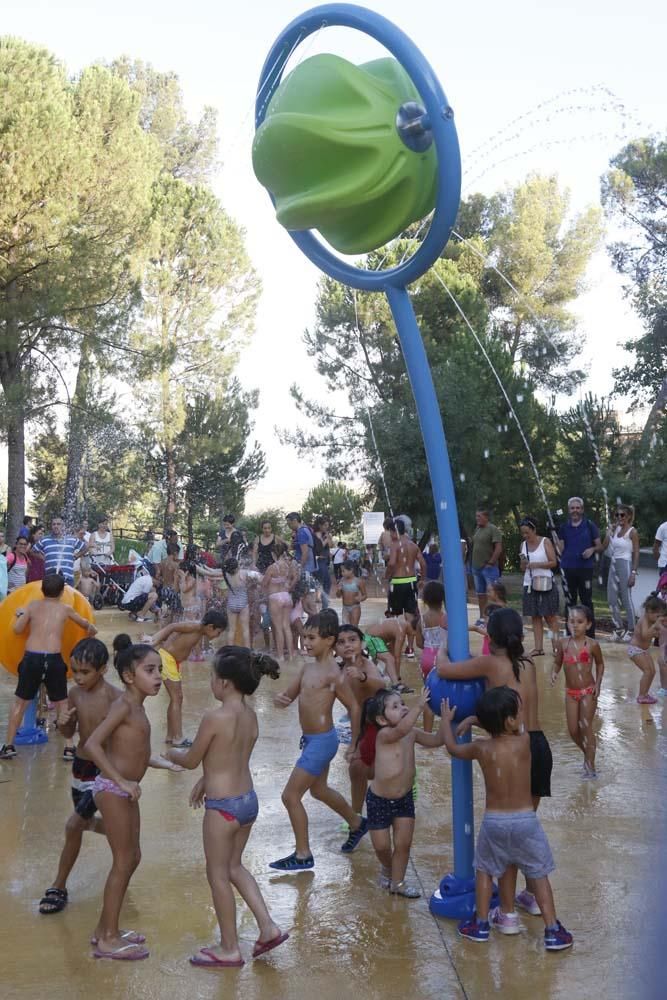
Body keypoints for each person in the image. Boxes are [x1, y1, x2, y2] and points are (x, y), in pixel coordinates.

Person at [166, 646, 288, 967]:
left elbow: (193, 759)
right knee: (235, 867)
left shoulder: (214, 717)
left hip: (222, 809)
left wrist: (170, 754)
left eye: (212, 677)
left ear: (226, 684)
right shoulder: (250, 716)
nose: (211, 682)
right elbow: (230, 758)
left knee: (217, 874)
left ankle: (229, 948)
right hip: (247, 802)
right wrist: (206, 781)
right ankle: (268, 927)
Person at [438, 607, 552, 921]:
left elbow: (444, 670)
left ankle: (507, 911)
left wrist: (443, 644)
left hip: (513, 749)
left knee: (510, 839)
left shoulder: (490, 662)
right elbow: (515, 707)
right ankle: (529, 896)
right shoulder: (526, 662)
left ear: (489, 636)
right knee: (525, 831)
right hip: (537, 746)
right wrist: (479, 716)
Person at [442, 688, 573, 950]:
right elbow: (517, 726)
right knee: (538, 874)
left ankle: (480, 925)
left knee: (485, 870)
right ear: (511, 721)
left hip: (495, 822)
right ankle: (553, 930)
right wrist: (480, 719)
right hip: (525, 821)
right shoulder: (523, 741)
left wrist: (448, 721)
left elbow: (453, 748)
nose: (521, 714)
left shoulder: (481, 748)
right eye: (518, 711)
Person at [269, 610, 369, 869]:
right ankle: (357, 823)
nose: (306, 643)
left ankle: (303, 854)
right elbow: (288, 697)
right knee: (319, 790)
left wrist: (354, 743)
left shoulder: (334, 674)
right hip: (311, 740)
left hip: (323, 741)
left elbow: (355, 708)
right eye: (304, 637)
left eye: (312, 637)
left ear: (329, 640)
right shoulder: (307, 669)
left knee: (290, 796)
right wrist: (279, 700)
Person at [83, 640, 163, 960]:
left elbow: (134, 751)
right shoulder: (123, 706)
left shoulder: (138, 707)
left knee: (134, 856)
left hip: (127, 790)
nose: (158, 676)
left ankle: (105, 929)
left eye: (159, 670)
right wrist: (121, 781)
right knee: (123, 860)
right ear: (129, 677)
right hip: (114, 790)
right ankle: (109, 939)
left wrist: (160, 762)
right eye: (150, 670)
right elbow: (92, 744)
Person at [38, 639, 119, 916]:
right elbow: (69, 731)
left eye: (86, 672)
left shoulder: (115, 698)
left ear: (103, 670)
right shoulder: (75, 694)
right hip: (80, 767)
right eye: (75, 671)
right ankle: (125, 839)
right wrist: (63, 725)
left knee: (73, 826)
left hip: (103, 770)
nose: (79, 677)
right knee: (84, 823)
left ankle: (58, 886)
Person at [0, 574, 98, 760]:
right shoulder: (65, 609)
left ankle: (9, 745)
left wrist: (19, 614)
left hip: (32, 659)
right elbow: (85, 624)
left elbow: (17, 630)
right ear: (62, 592)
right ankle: (69, 747)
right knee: (62, 703)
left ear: (42, 590)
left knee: (20, 702)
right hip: (53, 659)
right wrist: (91, 629)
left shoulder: (32, 606)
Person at [363, 687, 447, 898]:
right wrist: (418, 705)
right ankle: (388, 868)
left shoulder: (412, 733)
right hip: (379, 800)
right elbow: (400, 730)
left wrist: (446, 719)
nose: (402, 708)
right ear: (382, 720)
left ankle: (397, 883)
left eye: (402, 704)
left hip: (404, 799)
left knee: (403, 844)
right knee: (382, 846)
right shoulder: (385, 735)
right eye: (395, 706)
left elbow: (437, 740)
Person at [148, 611, 228, 747]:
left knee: (175, 698)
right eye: (218, 632)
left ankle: (170, 735)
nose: (217, 636)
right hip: (167, 659)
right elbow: (172, 626)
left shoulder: (200, 631)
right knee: (177, 697)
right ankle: (178, 738)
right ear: (210, 627)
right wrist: (154, 639)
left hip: (171, 661)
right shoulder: (195, 627)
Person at [336, 625, 390, 813]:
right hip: (358, 725)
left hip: (380, 724)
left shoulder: (366, 665)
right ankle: (357, 813)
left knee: (371, 767)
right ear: (334, 649)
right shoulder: (339, 671)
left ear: (363, 643)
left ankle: (402, 783)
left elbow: (381, 684)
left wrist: (362, 677)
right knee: (357, 770)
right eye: (341, 642)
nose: (347, 645)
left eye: (352, 640)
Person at [551, 606, 604, 778]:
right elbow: (558, 662)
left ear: (588, 625)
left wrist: (598, 684)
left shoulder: (593, 645)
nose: (575, 625)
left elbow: (600, 664)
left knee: (585, 726)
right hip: (571, 693)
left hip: (588, 691)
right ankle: (588, 753)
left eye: (580, 622)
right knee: (573, 730)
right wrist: (554, 672)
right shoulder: (563, 643)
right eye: (571, 621)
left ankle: (590, 766)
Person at [556, 497, 601, 638]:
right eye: (572, 508)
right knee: (570, 601)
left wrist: (592, 550)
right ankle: (570, 634)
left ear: (582, 509)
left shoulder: (589, 525)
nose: (575, 510)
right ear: (569, 510)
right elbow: (560, 549)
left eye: (577, 508)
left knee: (586, 601)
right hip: (567, 568)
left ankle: (590, 635)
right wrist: (553, 533)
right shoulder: (564, 527)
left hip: (585, 569)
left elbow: (599, 546)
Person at [519, 517, 560, 656]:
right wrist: (524, 564)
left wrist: (537, 565)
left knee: (550, 617)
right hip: (529, 583)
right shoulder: (523, 545)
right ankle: (538, 648)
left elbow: (553, 562)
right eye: (523, 533)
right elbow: (522, 568)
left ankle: (556, 647)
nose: (525, 536)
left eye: (527, 533)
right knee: (535, 616)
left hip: (545, 583)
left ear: (534, 530)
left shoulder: (545, 542)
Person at [601, 504, 640, 641]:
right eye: (617, 515)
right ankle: (618, 628)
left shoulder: (632, 532)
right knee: (611, 599)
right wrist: (609, 532)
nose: (619, 517)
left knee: (626, 598)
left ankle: (631, 630)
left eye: (622, 515)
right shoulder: (615, 529)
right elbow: (604, 546)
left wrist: (634, 572)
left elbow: (636, 553)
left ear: (628, 516)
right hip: (614, 563)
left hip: (626, 563)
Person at [415, 581, 448, 733]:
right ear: (443, 598)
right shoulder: (446, 618)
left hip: (427, 659)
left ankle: (427, 734)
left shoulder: (422, 619)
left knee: (428, 694)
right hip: (444, 658)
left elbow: (419, 643)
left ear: (426, 600)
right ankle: (448, 731)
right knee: (447, 693)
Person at [261, 542, 299, 660]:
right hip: (286, 596)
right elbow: (295, 577)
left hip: (275, 598)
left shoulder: (272, 567)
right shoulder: (288, 566)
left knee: (277, 628)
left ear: (273, 554)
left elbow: (264, 584)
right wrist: (289, 587)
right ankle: (292, 655)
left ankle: (281, 656)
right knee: (286, 627)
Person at [626, 595, 667, 704]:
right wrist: (655, 627)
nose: (658, 618)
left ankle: (645, 693)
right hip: (635, 650)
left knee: (652, 671)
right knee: (648, 671)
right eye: (657, 615)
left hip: (643, 650)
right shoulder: (644, 620)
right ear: (649, 611)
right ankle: (641, 696)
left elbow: (655, 635)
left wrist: (659, 630)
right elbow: (644, 635)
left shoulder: (652, 621)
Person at [386, 518, 426, 622]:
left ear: (394, 531)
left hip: (397, 582)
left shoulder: (395, 545)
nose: (390, 535)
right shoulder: (413, 545)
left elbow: (391, 563)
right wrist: (422, 579)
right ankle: (411, 637)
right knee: (410, 612)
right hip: (412, 581)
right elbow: (423, 563)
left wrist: (387, 575)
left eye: (390, 532)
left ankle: (398, 637)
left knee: (393, 614)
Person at [30, 515, 87, 586]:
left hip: (67, 578)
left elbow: (85, 548)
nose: (56, 526)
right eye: (54, 524)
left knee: (67, 597)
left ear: (63, 526)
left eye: (58, 524)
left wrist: (75, 557)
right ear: (51, 526)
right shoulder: (44, 540)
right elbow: (32, 551)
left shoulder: (71, 539)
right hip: (50, 578)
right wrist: (44, 558)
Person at [470, 508, 503, 620]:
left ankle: (496, 617)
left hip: (489, 568)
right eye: (476, 516)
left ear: (486, 517)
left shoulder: (493, 529)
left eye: (479, 516)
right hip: (476, 567)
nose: (477, 518)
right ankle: (482, 617)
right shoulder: (477, 529)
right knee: (480, 594)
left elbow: (498, 548)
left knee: (494, 593)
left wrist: (491, 562)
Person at [222, 557, 262, 648]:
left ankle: (230, 652)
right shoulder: (244, 573)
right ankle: (247, 651)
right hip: (243, 604)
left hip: (231, 604)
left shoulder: (226, 574)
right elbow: (259, 578)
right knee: (245, 630)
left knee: (231, 630)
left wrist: (200, 568)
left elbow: (210, 572)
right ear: (236, 567)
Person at [336, 559, 367, 626]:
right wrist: (339, 590)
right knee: (345, 626)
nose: (342, 573)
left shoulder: (358, 581)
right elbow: (338, 596)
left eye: (343, 571)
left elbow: (365, 595)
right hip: (345, 607)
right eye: (341, 571)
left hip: (355, 607)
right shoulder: (342, 581)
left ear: (351, 570)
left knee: (354, 627)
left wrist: (361, 598)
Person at [286, 511, 316, 577]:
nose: (289, 527)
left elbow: (305, 552)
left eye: (289, 524)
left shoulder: (301, 532)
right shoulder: (305, 529)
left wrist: (300, 568)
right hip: (309, 565)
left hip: (306, 567)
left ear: (295, 521)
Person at [313, 515, 334, 608]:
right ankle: (324, 605)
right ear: (320, 525)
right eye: (325, 525)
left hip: (325, 561)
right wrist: (326, 539)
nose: (327, 527)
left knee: (325, 583)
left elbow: (331, 545)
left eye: (327, 525)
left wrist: (329, 538)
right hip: (319, 561)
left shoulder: (325, 534)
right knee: (325, 582)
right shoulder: (316, 534)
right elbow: (319, 547)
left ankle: (324, 603)